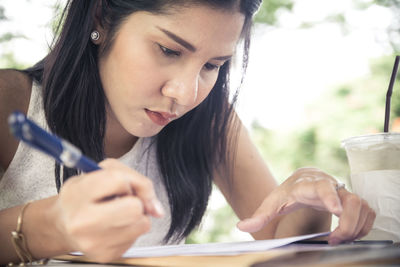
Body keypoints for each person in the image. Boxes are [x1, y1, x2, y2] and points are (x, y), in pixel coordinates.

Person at [0, 0, 376, 264]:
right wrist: (50, 225)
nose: (185, 93)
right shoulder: (11, 101)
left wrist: (311, 197)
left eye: (213, 65)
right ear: (101, 18)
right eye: (168, 50)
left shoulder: (210, 121)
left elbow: (284, 242)